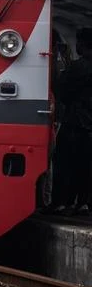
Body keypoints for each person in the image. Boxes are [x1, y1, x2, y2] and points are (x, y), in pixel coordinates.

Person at [52, 28, 92, 214]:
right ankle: (82, 202)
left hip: (76, 123)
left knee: (65, 163)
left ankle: (62, 202)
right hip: (88, 126)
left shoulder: (80, 67)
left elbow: (60, 87)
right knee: (86, 167)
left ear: (83, 45)